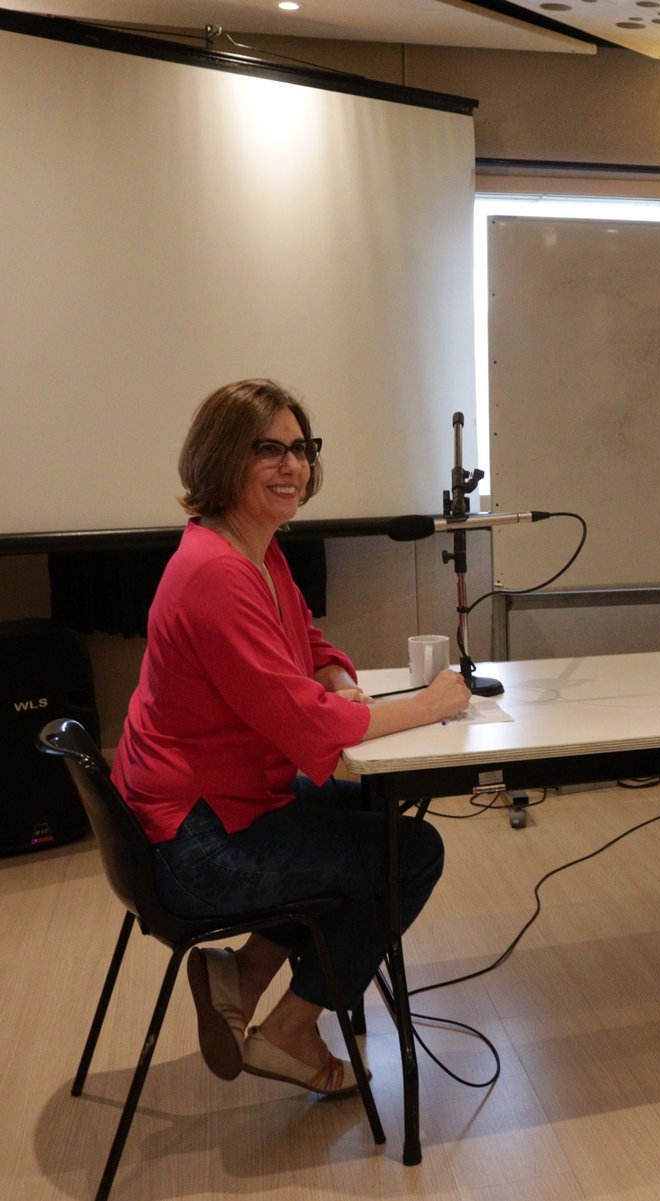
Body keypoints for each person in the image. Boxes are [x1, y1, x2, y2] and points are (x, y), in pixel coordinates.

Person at [113, 379, 471, 1096]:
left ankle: (243, 974)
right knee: (410, 853)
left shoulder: (252, 548)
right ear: (221, 459)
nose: (293, 466)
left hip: (213, 805)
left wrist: (338, 677)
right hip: (195, 844)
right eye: (268, 449)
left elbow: (306, 639)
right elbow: (309, 728)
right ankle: (291, 1030)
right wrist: (433, 704)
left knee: (369, 812)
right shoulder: (215, 574)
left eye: (301, 449)